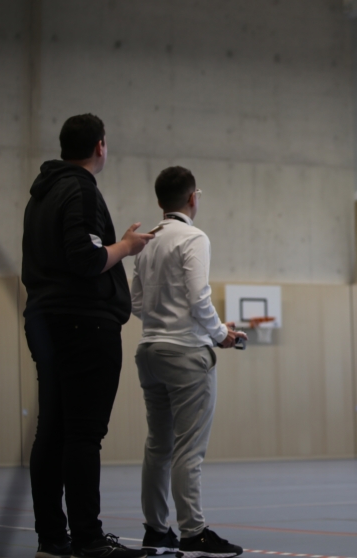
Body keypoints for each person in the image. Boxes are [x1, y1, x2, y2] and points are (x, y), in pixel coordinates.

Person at [22, 114, 154, 558]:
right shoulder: (80, 189)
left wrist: (117, 245)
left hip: (46, 319)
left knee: (52, 431)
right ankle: (88, 540)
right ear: (100, 146)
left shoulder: (42, 193)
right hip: (82, 322)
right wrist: (127, 247)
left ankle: (52, 539)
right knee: (82, 434)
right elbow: (86, 259)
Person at [131, 166, 246, 558]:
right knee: (188, 449)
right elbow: (199, 297)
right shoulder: (194, 237)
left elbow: (136, 303)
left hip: (149, 351)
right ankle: (193, 533)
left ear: (160, 201)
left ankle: (155, 531)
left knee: (158, 446)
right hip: (185, 356)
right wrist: (220, 333)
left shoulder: (146, 241)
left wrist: (170, 320)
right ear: (193, 198)